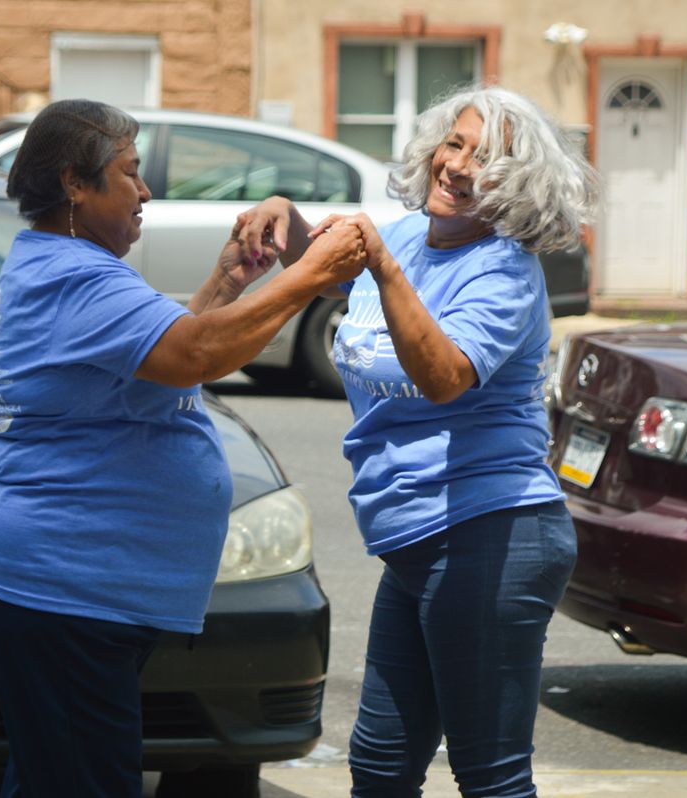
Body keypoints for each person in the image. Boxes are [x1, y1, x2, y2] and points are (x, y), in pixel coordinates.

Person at [0, 99, 366, 798]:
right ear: (75, 184)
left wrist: (231, 280)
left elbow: (160, 352)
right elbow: (194, 353)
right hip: (61, 591)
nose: (145, 192)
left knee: (56, 776)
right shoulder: (74, 275)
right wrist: (312, 274)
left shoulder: (73, 265)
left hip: (68, 591)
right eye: (129, 174)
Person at [236, 85, 600, 797]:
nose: (459, 166)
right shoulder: (403, 235)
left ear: (517, 186)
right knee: (379, 768)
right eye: (455, 144)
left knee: (490, 777)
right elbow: (324, 267)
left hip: (490, 533)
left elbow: (444, 377)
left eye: (486, 160)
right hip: (412, 540)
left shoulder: (503, 273)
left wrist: (384, 265)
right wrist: (288, 221)